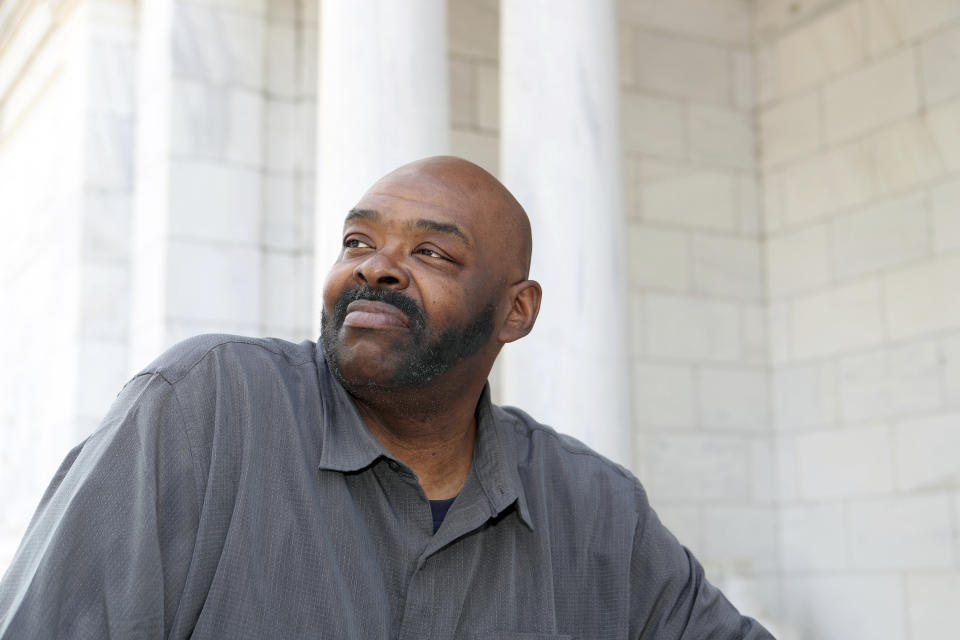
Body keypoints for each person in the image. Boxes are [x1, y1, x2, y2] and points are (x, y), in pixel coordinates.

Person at [0, 157, 773, 639]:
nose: (377, 268)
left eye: (431, 251)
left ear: (518, 311)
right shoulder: (204, 409)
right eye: (358, 242)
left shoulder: (599, 512)